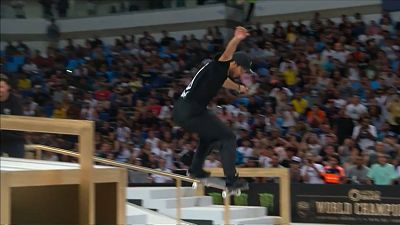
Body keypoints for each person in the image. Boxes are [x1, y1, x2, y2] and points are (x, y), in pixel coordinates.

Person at [173, 26, 251, 190]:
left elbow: (223, 81)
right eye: (242, 70)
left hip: (185, 110)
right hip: (190, 111)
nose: (241, 74)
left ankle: (195, 170)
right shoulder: (220, 66)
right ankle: (232, 180)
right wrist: (237, 38)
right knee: (227, 137)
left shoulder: (217, 72)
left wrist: (238, 87)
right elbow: (227, 54)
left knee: (210, 137)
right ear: (235, 63)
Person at [0, 74, 25, 158]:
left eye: (1, 87)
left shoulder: (16, 101)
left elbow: (18, 122)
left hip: (14, 140)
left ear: (8, 87)